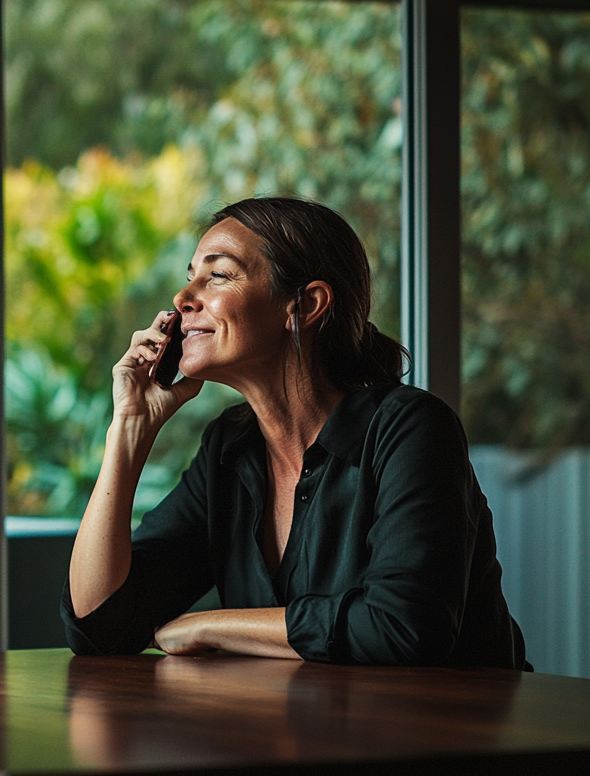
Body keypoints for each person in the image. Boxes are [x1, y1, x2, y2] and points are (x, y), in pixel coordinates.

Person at [63, 196, 527, 669]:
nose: (183, 299)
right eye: (189, 278)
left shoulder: (410, 429)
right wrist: (129, 429)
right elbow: (99, 625)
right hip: (313, 736)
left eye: (217, 275)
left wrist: (211, 625)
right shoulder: (230, 449)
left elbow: (404, 628)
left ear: (304, 305)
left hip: (458, 737)